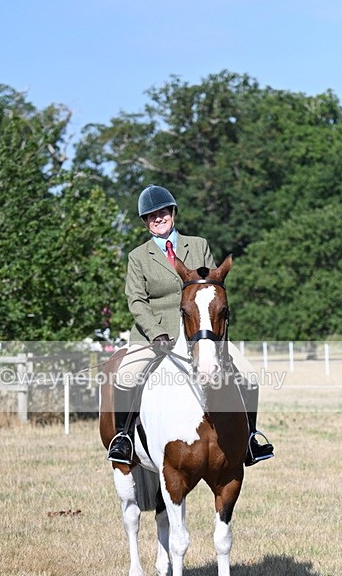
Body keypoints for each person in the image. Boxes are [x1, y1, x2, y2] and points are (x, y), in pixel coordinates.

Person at [107, 184, 274, 467]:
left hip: (202, 331)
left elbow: (214, 287)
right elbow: (136, 300)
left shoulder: (198, 245)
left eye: (162, 213)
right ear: (145, 222)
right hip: (155, 334)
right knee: (126, 375)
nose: (158, 219)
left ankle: (250, 438)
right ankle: (123, 438)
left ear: (172, 214)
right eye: (151, 216)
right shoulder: (138, 257)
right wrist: (155, 332)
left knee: (249, 374)